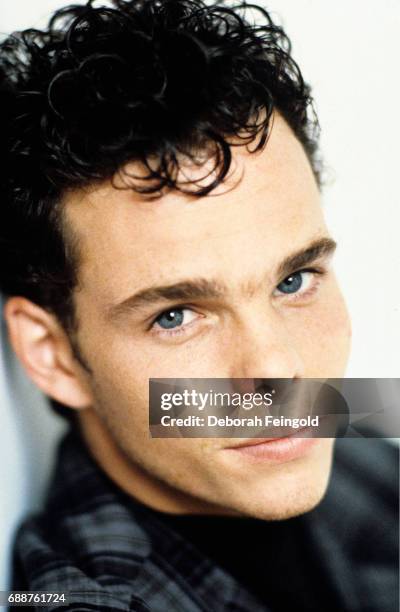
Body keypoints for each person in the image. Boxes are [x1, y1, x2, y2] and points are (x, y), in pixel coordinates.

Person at [0, 0, 397, 610]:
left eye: (294, 280)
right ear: (53, 355)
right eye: (175, 316)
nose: (279, 372)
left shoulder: (360, 451)